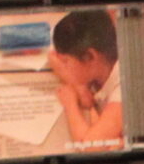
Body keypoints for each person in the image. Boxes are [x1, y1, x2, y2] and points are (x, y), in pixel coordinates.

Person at [47, 8, 122, 146]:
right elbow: (52, 56)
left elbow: (89, 146)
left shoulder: (123, 90)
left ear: (89, 56)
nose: (64, 66)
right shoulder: (104, 62)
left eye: (66, 61)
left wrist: (71, 105)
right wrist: (80, 88)